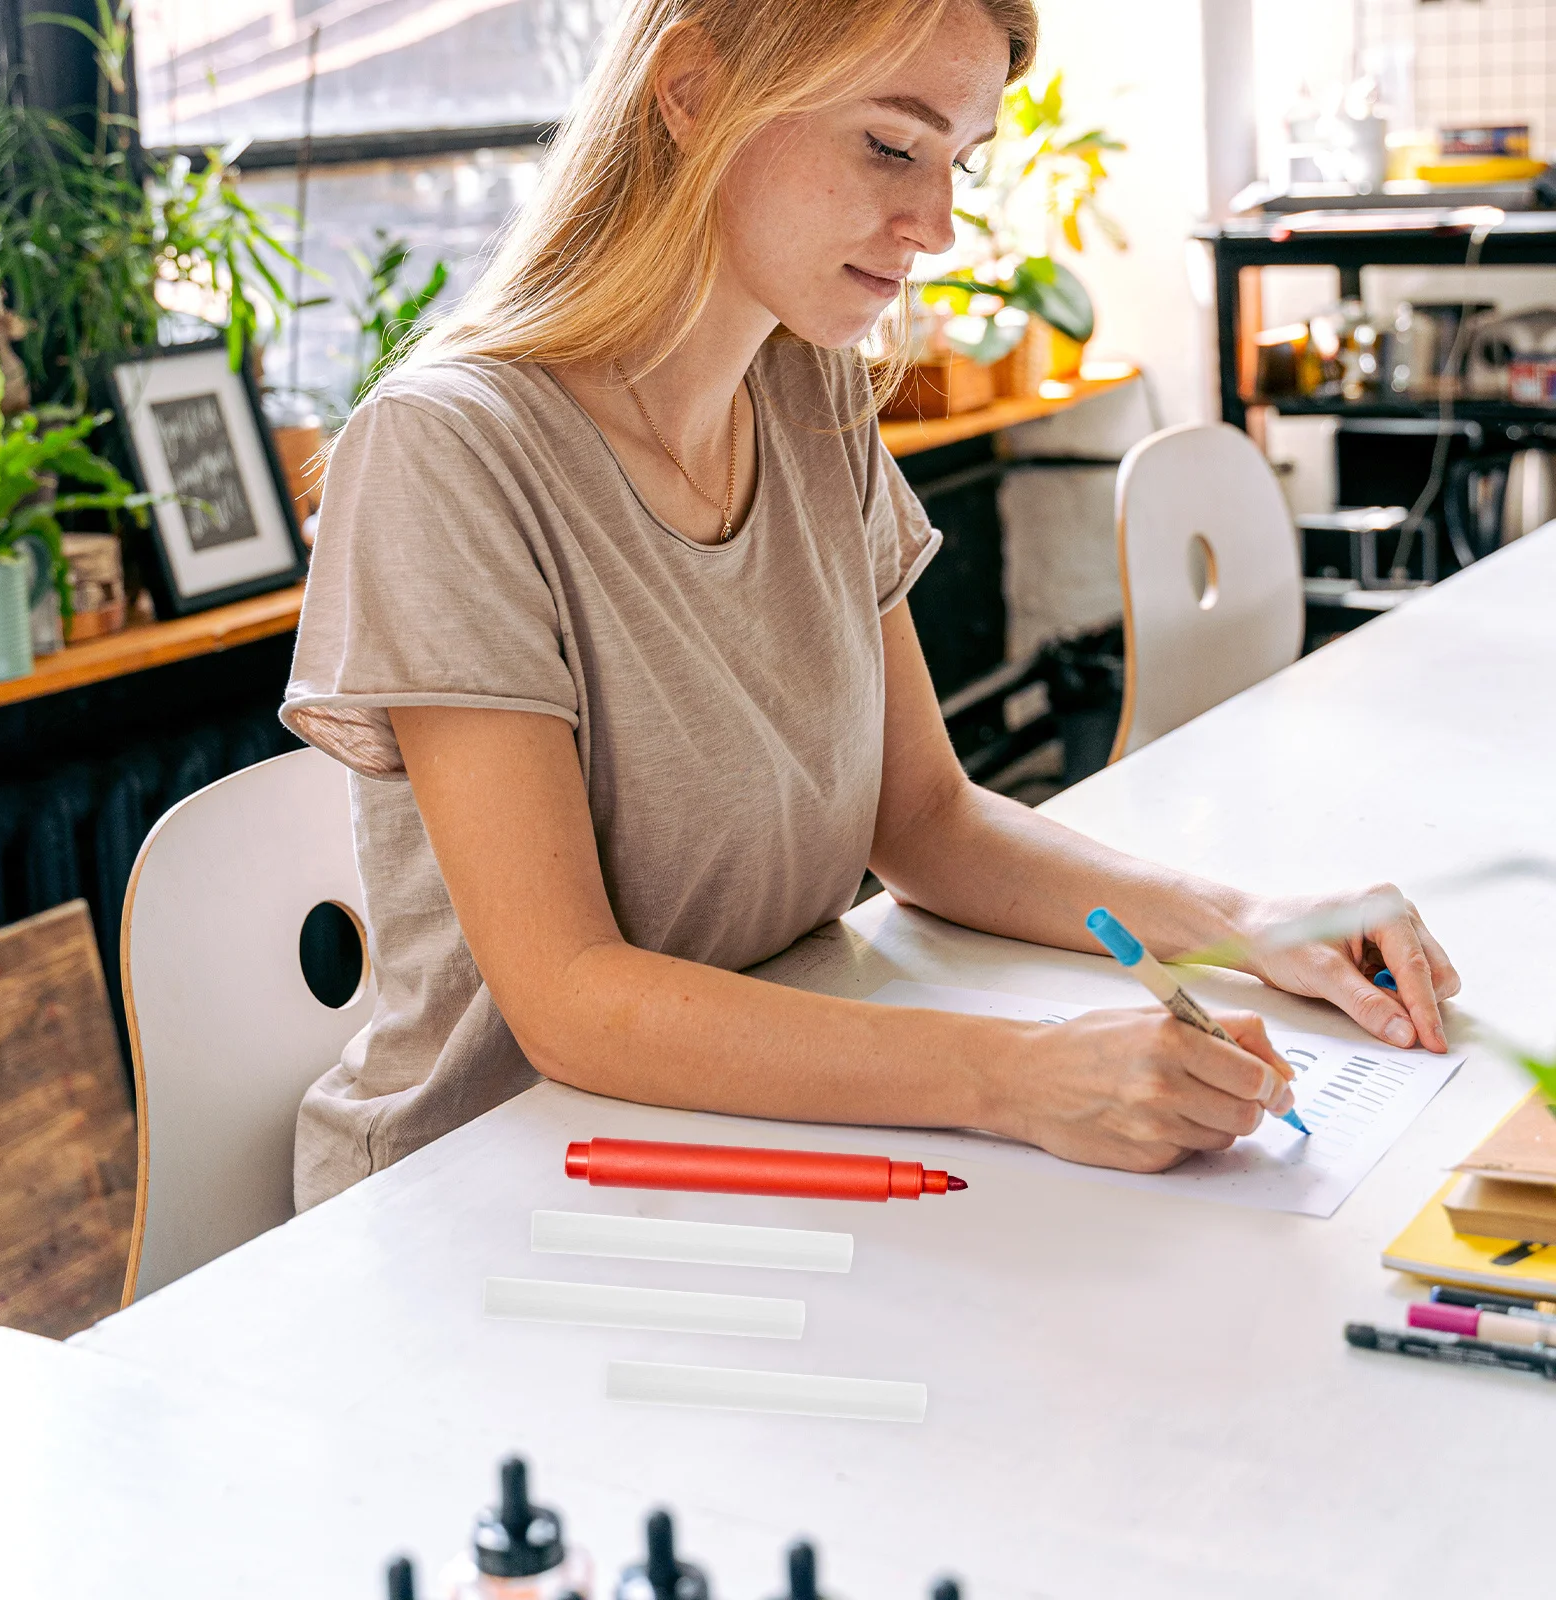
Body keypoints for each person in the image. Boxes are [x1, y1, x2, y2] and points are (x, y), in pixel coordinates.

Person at [281, 0, 1459, 1211]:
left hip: (740, 1151)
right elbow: (572, 1000)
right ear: (688, 91)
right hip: (492, 1194)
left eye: (958, 161)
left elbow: (928, 821)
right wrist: (1024, 1076)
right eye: (891, 147)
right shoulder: (446, 451)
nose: (938, 226)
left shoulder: (807, 393)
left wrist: (1244, 921)